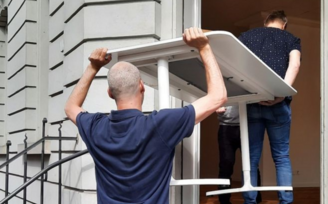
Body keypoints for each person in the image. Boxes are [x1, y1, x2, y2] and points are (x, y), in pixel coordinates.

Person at [64, 27, 227, 204]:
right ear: (142, 86)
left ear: (110, 93)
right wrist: (204, 47)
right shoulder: (161, 125)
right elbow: (218, 96)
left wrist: (92, 67)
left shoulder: (95, 127)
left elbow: (71, 107)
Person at [239, 10, 301, 204]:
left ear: (266, 23)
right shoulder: (290, 38)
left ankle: (250, 201)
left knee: (251, 158)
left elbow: (236, 67)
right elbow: (295, 65)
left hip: (252, 102)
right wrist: (282, 93)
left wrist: (251, 93)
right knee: (281, 156)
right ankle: (286, 201)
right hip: (278, 104)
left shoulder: (247, 37)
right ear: (284, 24)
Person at [216, 105, 262, 204]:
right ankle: (224, 200)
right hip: (226, 126)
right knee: (226, 165)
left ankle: (256, 199)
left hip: (249, 125)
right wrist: (217, 107)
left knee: (251, 164)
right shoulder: (222, 88)